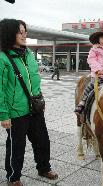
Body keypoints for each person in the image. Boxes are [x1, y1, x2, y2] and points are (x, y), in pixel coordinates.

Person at [0, 19, 58, 186]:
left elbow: (35, 81)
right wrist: (4, 114)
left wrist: (40, 99)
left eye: (25, 31)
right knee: (16, 147)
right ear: (9, 33)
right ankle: (14, 177)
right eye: (20, 32)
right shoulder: (3, 58)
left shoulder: (29, 54)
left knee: (42, 141)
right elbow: (0, 89)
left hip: (35, 108)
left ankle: (43, 167)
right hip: (16, 111)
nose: (25, 35)